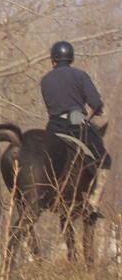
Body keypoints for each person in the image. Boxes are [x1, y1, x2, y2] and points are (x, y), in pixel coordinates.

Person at [41, 40, 111, 216]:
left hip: (53, 124)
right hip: (75, 120)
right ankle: (93, 202)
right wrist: (98, 108)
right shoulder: (80, 75)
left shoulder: (45, 80)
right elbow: (95, 102)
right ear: (71, 58)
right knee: (105, 160)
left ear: (53, 60)